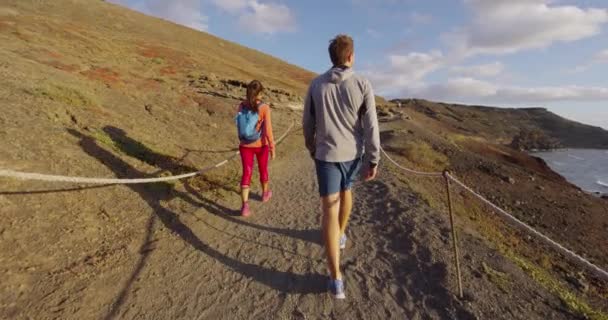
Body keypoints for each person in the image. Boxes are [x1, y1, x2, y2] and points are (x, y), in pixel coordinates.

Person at [303, 34, 380, 299]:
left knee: (328, 210)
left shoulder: (316, 84)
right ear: (350, 56)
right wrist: (373, 158)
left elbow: (307, 122)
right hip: (352, 154)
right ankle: (341, 234)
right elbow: (371, 125)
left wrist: (311, 146)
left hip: (326, 155)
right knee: (347, 192)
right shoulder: (362, 83)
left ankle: (336, 278)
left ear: (332, 57)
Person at [237, 80, 275, 217]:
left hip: (245, 145)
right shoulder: (264, 107)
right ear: (260, 93)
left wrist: (242, 141)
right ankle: (265, 194)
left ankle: (245, 206)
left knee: (246, 173)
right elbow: (268, 129)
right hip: (261, 145)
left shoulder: (241, 105)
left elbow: (239, 125)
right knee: (263, 169)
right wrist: (272, 147)